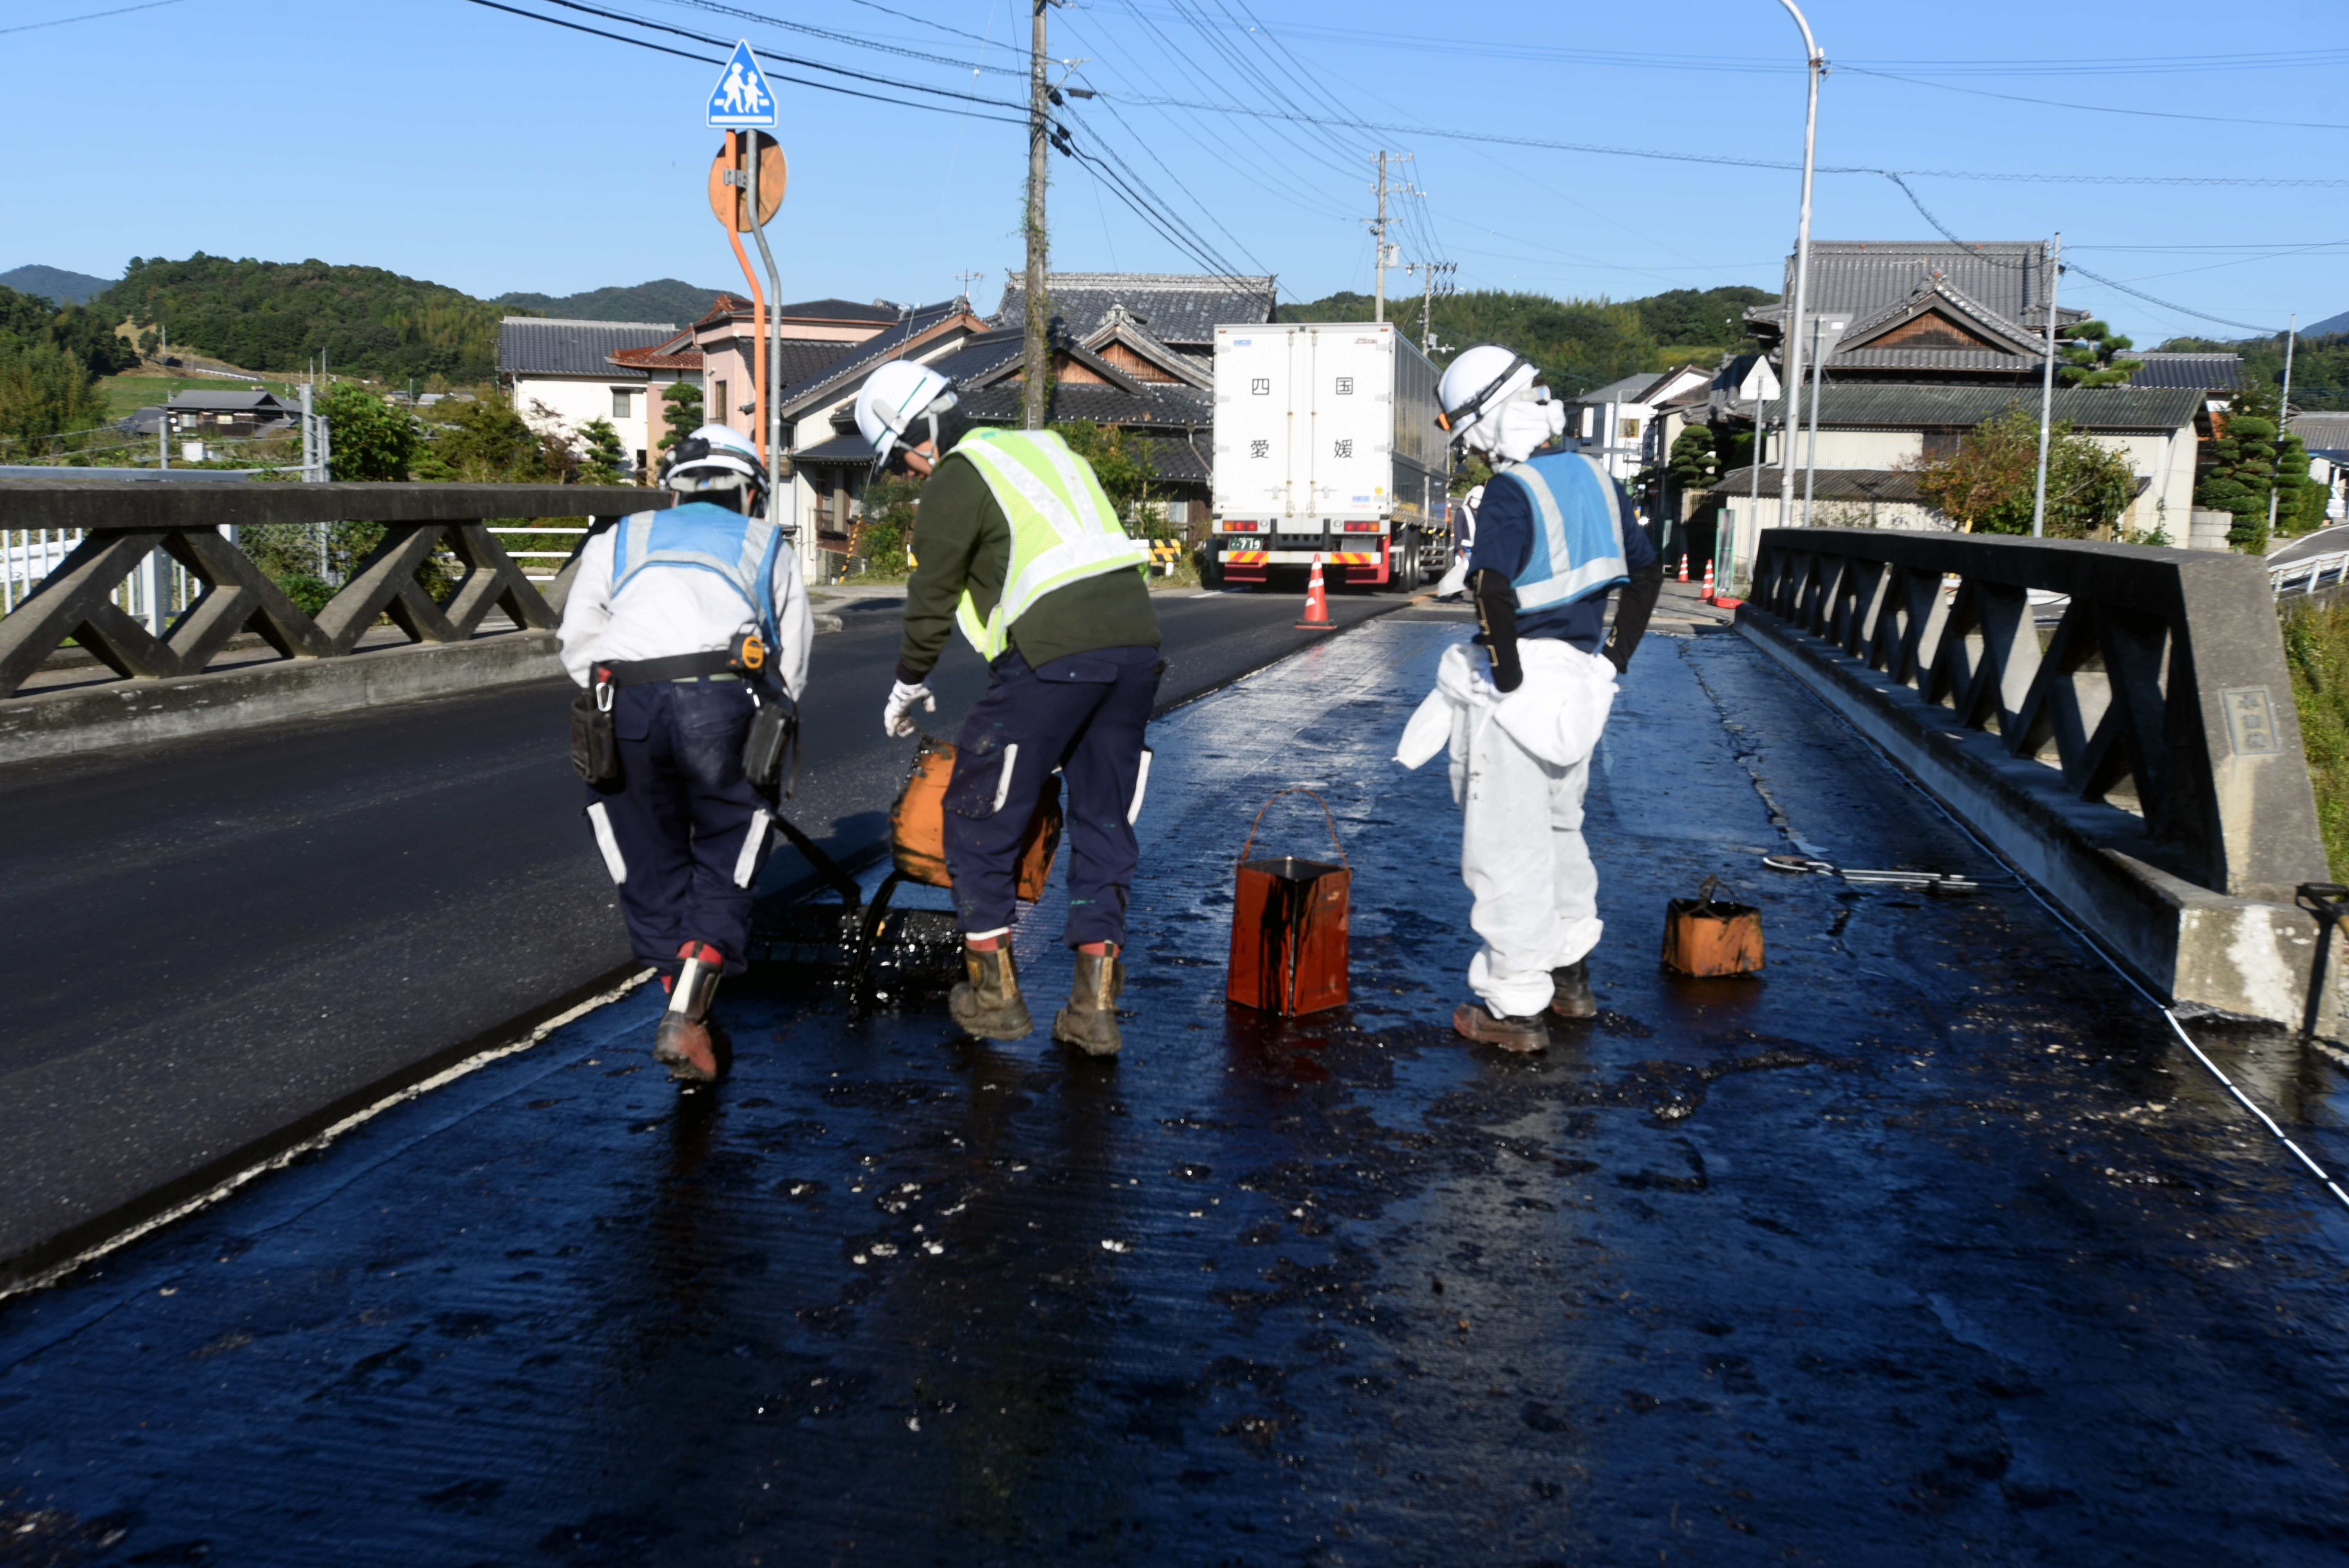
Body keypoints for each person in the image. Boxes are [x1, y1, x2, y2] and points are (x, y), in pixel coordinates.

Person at [854, 360, 1161, 1057]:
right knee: (1105, 824)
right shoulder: (1045, 448)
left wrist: (908, 681)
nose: (906, 474)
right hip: (1136, 651)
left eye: (901, 458)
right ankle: (1093, 1011)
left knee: (975, 816)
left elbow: (932, 594)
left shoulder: (959, 475)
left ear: (922, 433)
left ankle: (994, 997)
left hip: (1056, 659)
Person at [1397, 345, 1661, 1051]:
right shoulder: (1598, 478)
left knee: (1506, 849)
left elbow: (1489, 586)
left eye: (1473, 437)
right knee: (1559, 835)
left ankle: (1513, 1009)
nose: (1476, 452)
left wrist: (1506, 679)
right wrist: (1615, 661)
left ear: (1488, 421)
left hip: (1520, 700)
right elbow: (1646, 571)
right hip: (1580, 687)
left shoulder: (1514, 492)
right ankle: (1570, 979)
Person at [557, 422, 814, 1082]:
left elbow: (579, 639)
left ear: (673, 491)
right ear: (751, 492)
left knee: (646, 853)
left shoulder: (619, 539)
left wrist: (620, 695)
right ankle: (691, 1010)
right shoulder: (766, 545)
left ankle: (681, 998)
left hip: (626, 701)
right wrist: (771, 722)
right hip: (723, 698)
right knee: (730, 848)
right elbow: (792, 659)